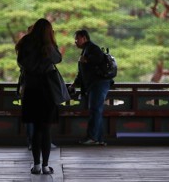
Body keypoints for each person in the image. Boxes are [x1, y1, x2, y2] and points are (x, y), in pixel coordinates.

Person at [15, 18, 62, 174]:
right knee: (46, 129)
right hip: (47, 89)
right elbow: (58, 60)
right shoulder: (48, 44)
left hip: (32, 88)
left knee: (36, 129)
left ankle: (35, 165)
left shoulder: (26, 42)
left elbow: (21, 62)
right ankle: (45, 166)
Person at [69, 29, 112, 146]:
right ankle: (99, 139)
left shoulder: (93, 48)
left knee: (95, 110)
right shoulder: (85, 50)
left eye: (77, 39)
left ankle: (92, 137)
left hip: (98, 84)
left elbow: (99, 59)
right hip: (93, 85)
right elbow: (82, 73)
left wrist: (87, 59)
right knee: (96, 111)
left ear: (84, 38)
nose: (75, 41)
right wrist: (74, 84)